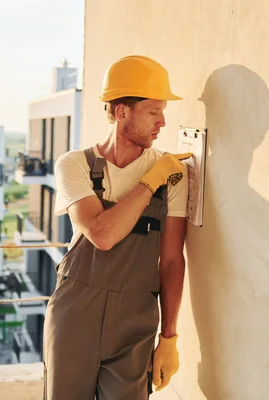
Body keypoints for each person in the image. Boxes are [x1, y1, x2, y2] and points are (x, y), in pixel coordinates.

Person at [43, 55, 191, 400]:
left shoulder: (173, 175)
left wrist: (168, 337)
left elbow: (171, 261)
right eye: (154, 111)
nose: (163, 122)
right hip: (75, 313)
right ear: (122, 110)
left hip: (135, 320)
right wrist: (149, 183)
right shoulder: (74, 165)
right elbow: (102, 235)